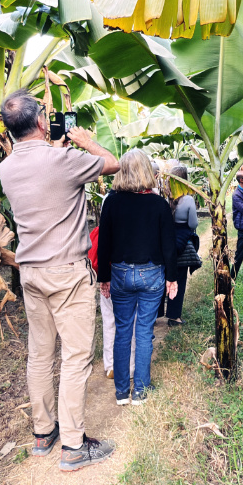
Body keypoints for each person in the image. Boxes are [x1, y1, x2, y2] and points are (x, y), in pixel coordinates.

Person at [0, 89, 121, 472]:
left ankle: (42, 432)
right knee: (76, 356)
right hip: (66, 272)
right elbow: (113, 164)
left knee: (40, 353)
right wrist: (85, 141)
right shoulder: (65, 159)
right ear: (38, 122)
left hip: (30, 273)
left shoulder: (6, 167)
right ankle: (73, 445)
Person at [96, 151, 178, 406]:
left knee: (122, 331)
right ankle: (140, 390)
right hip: (151, 273)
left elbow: (104, 244)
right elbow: (169, 246)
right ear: (146, 171)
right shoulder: (159, 204)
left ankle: (121, 392)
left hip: (120, 273)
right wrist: (172, 278)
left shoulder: (111, 202)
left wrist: (104, 278)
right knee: (143, 332)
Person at [90, 222, 134, 380]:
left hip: (105, 279)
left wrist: (102, 278)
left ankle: (110, 366)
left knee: (109, 322)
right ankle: (129, 367)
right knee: (131, 323)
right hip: (126, 278)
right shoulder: (130, 227)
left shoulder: (98, 230)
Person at [165, 163, 198, 326]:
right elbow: (193, 224)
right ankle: (174, 316)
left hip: (165, 241)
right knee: (179, 278)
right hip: (181, 242)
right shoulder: (188, 200)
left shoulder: (165, 197)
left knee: (163, 276)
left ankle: (156, 315)